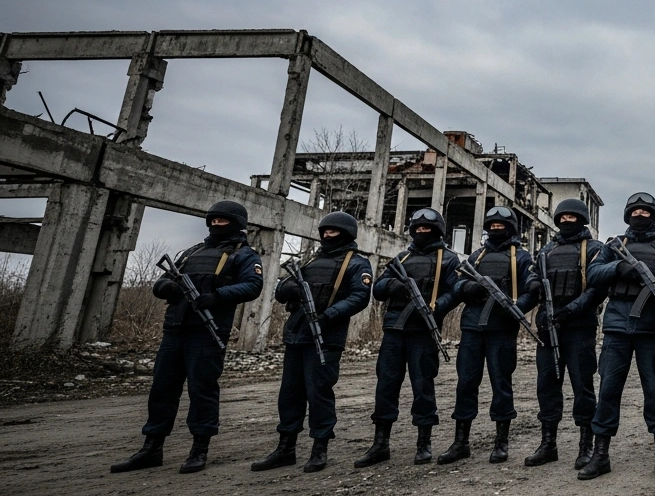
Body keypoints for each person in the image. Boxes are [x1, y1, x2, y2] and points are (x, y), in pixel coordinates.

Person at [111, 200, 264, 474]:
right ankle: (152, 447)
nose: (216, 225)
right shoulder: (192, 252)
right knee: (162, 390)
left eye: (222, 221)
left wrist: (216, 296)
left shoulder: (244, 255)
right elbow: (160, 282)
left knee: (202, 390)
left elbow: (253, 286)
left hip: (207, 332)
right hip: (175, 329)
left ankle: (199, 449)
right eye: (213, 221)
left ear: (237, 224)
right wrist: (169, 287)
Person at [252, 211, 373, 473]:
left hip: (327, 337)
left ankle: (320, 448)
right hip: (298, 334)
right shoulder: (309, 261)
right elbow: (280, 291)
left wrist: (330, 314)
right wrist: (291, 289)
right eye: (325, 231)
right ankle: (286, 447)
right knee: (290, 393)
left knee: (319, 393)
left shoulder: (356, 263)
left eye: (334, 232)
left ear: (347, 233)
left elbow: (360, 296)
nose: (328, 235)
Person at [578, 193, 655, 481]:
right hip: (617, 328)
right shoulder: (615, 246)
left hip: (652, 329)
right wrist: (619, 267)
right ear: (628, 215)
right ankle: (600, 455)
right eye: (635, 211)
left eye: (645, 211)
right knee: (608, 391)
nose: (640, 215)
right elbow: (594, 272)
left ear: (654, 215)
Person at [354, 207, 458, 467]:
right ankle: (380, 444)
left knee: (423, 387)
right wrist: (393, 285)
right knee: (386, 386)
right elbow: (378, 289)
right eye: (418, 229)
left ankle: (424, 443)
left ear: (437, 231)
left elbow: (455, 292)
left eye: (428, 229)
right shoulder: (402, 257)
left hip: (423, 332)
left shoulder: (448, 259)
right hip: (394, 331)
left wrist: (434, 305)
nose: (422, 232)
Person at [437, 206, 541, 465]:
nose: (496, 228)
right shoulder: (478, 255)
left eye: (501, 225)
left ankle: (501, 442)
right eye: (492, 225)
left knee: (501, 385)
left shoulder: (521, 256)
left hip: (502, 329)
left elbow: (532, 289)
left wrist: (517, 309)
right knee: (466, 384)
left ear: (511, 229)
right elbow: (457, 283)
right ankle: (461, 442)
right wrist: (471, 287)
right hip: (472, 328)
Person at [524, 199, 606, 470]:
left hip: (579, 327)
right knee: (547, 386)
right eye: (563, 216)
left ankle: (586, 446)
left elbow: (597, 288)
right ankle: (548, 444)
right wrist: (533, 283)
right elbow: (532, 273)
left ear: (582, 219)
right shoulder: (547, 249)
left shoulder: (594, 249)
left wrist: (572, 310)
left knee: (583, 387)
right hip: (548, 326)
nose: (567, 221)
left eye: (573, 216)